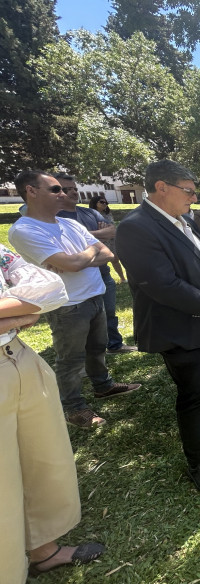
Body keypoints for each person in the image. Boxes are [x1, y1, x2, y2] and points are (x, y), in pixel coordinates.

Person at [116, 160, 200, 494]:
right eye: (188, 191)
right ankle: (199, 462)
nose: (193, 198)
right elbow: (162, 285)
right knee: (191, 394)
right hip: (179, 327)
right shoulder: (136, 227)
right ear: (161, 187)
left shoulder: (182, 219)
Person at [1, 242, 107, 581]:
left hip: (18, 356)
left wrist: (15, 315)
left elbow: (52, 289)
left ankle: (43, 550)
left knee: (42, 459)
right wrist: (17, 311)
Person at [9, 171, 140, 429]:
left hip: (94, 295)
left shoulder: (70, 224)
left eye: (66, 189)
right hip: (67, 306)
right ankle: (74, 408)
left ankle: (103, 386)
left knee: (97, 348)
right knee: (70, 359)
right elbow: (75, 263)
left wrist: (81, 259)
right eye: (56, 189)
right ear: (31, 191)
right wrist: (85, 255)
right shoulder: (24, 230)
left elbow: (106, 253)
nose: (65, 194)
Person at [57, 174, 134, 354]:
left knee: (108, 312)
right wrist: (97, 234)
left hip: (103, 273)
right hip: (73, 281)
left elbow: (111, 232)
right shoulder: (54, 218)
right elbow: (69, 254)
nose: (73, 192)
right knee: (80, 322)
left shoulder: (89, 212)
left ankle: (114, 344)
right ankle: (82, 355)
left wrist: (84, 238)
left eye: (75, 188)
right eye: (66, 189)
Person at [88, 195, 126, 283]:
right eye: (101, 202)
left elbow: (112, 226)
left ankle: (123, 278)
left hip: (112, 240)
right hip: (100, 241)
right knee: (102, 262)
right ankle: (103, 280)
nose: (104, 204)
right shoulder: (90, 215)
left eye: (106, 202)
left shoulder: (107, 213)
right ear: (95, 203)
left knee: (115, 259)